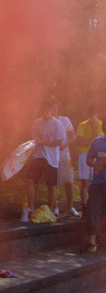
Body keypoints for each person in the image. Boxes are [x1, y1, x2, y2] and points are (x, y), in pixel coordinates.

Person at [22, 102, 65, 222]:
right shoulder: (37, 123)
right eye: (43, 109)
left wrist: (44, 143)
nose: (45, 112)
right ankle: (31, 207)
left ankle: (50, 210)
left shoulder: (57, 124)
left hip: (51, 158)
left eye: (47, 109)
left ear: (51, 110)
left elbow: (60, 142)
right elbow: (34, 138)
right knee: (30, 180)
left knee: (51, 185)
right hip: (38, 156)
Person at [81, 116, 106, 253]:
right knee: (93, 211)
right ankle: (92, 243)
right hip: (97, 182)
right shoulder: (97, 142)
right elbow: (88, 159)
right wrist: (95, 163)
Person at [51, 103, 80, 217]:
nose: (53, 111)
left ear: (58, 109)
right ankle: (55, 207)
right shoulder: (48, 124)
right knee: (54, 183)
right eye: (52, 109)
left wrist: (64, 145)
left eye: (55, 108)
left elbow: (73, 136)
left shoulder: (65, 120)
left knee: (69, 181)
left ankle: (70, 207)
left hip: (65, 155)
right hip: (52, 157)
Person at [76, 104, 104, 217]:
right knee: (85, 182)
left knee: (96, 182)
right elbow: (81, 142)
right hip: (84, 154)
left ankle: (95, 206)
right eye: (92, 113)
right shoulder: (82, 125)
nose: (93, 115)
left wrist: (94, 128)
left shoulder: (101, 124)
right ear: (89, 113)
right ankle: (84, 207)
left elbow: (99, 142)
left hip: (97, 156)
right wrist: (91, 140)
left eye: (95, 113)